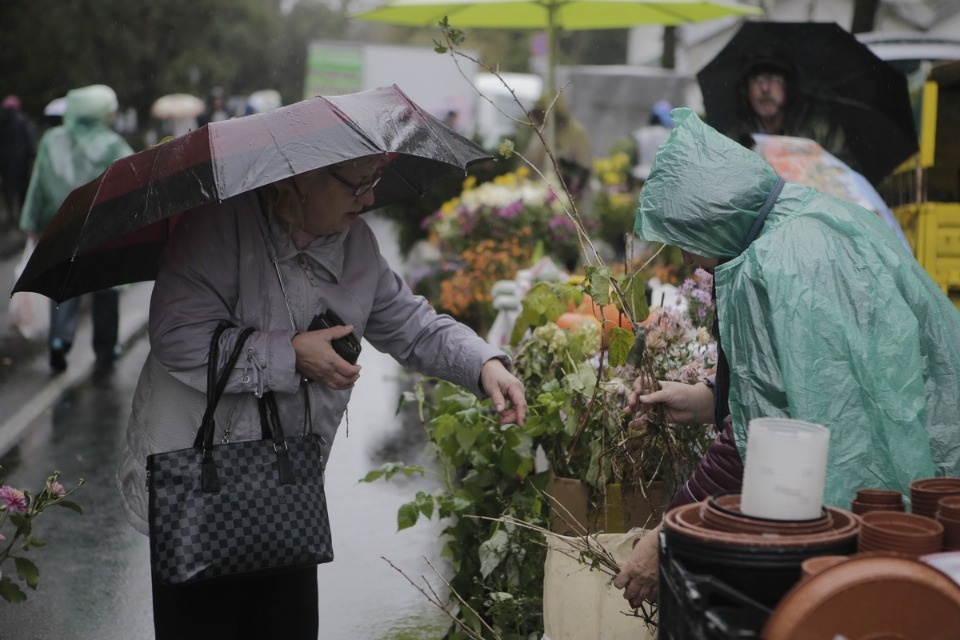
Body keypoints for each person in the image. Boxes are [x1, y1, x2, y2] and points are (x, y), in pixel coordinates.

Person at [114, 152, 528, 639]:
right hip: (199, 490)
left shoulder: (357, 247)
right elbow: (177, 337)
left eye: (374, 181)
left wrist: (484, 365)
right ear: (302, 180)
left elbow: (414, 326)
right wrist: (290, 354)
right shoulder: (218, 227)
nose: (370, 197)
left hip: (285, 489)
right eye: (357, 184)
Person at [613, 108, 960, 608]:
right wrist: (708, 399)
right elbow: (797, 384)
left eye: (686, 240)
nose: (686, 259)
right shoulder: (802, 216)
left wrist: (668, 533)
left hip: (893, 488)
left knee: (873, 605)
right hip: (923, 449)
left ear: (714, 216)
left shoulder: (775, 265)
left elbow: (764, 435)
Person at [19, 84, 134, 373]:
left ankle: (59, 340)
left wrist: (31, 224)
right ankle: (105, 348)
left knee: (65, 285)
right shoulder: (112, 144)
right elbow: (134, 181)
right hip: (101, 228)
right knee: (105, 288)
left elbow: (38, 185)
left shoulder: (52, 140)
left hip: (62, 226)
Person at [724, 48, 858, 173]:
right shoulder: (733, 141)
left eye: (774, 78)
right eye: (757, 79)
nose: (765, 88)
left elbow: (845, 175)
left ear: (788, 86)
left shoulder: (819, 130)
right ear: (746, 89)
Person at [524, 94, 593, 198]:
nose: (543, 117)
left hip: (570, 197)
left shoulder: (577, 133)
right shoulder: (543, 133)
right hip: (541, 193)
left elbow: (584, 168)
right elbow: (529, 161)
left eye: (545, 113)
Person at [0, 95, 37, 227]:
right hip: (21, 160)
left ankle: (10, 215)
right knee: (22, 187)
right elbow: (29, 139)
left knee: (8, 188)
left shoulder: (1, 121)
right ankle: (22, 215)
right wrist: (31, 155)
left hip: (5, 161)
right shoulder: (22, 120)